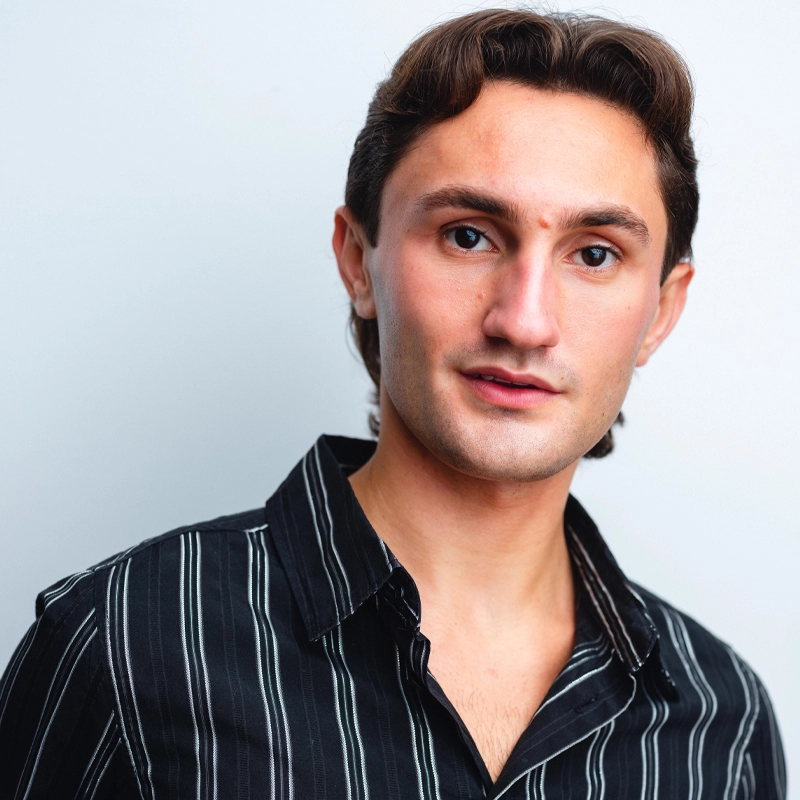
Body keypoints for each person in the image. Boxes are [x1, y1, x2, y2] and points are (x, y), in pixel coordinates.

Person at [0, 8, 786, 798]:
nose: (524, 320)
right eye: (468, 235)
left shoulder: (724, 722)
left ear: (659, 311)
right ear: (356, 259)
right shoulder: (126, 641)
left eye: (594, 254)